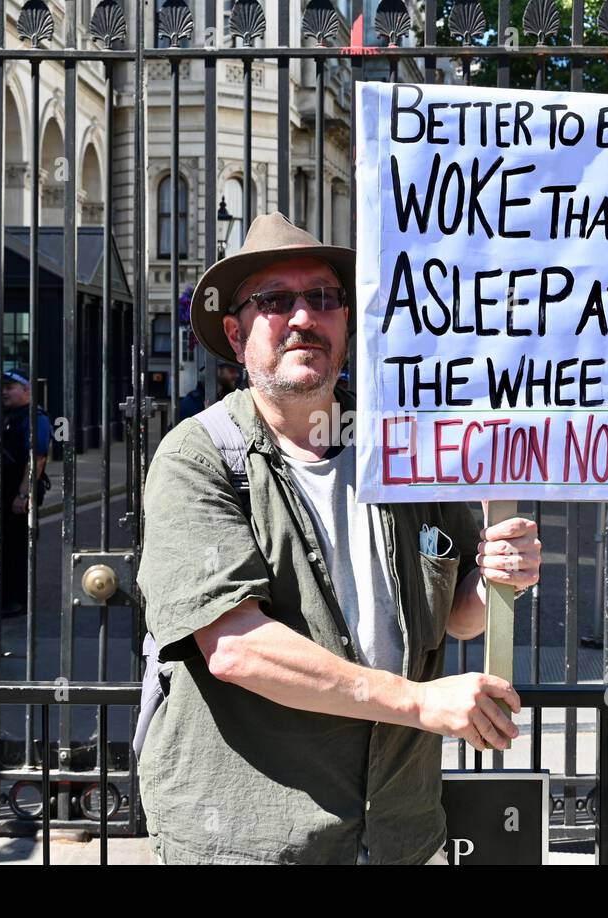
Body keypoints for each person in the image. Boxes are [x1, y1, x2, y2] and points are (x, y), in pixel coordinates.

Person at [135, 212, 542, 865]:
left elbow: (460, 619)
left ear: (346, 327)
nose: (303, 316)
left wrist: (496, 575)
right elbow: (237, 650)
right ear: (237, 335)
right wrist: (417, 701)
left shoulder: (404, 454)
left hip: (397, 832)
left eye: (323, 298)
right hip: (257, 842)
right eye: (275, 300)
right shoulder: (199, 457)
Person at [0, 369, 51, 618]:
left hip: (17, 492)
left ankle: (16, 600)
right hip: (0, 491)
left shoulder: (35, 418)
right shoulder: (7, 416)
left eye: (10, 387)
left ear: (26, 389)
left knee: (16, 548)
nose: (4, 391)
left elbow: (36, 459)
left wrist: (23, 495)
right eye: (3, 386)